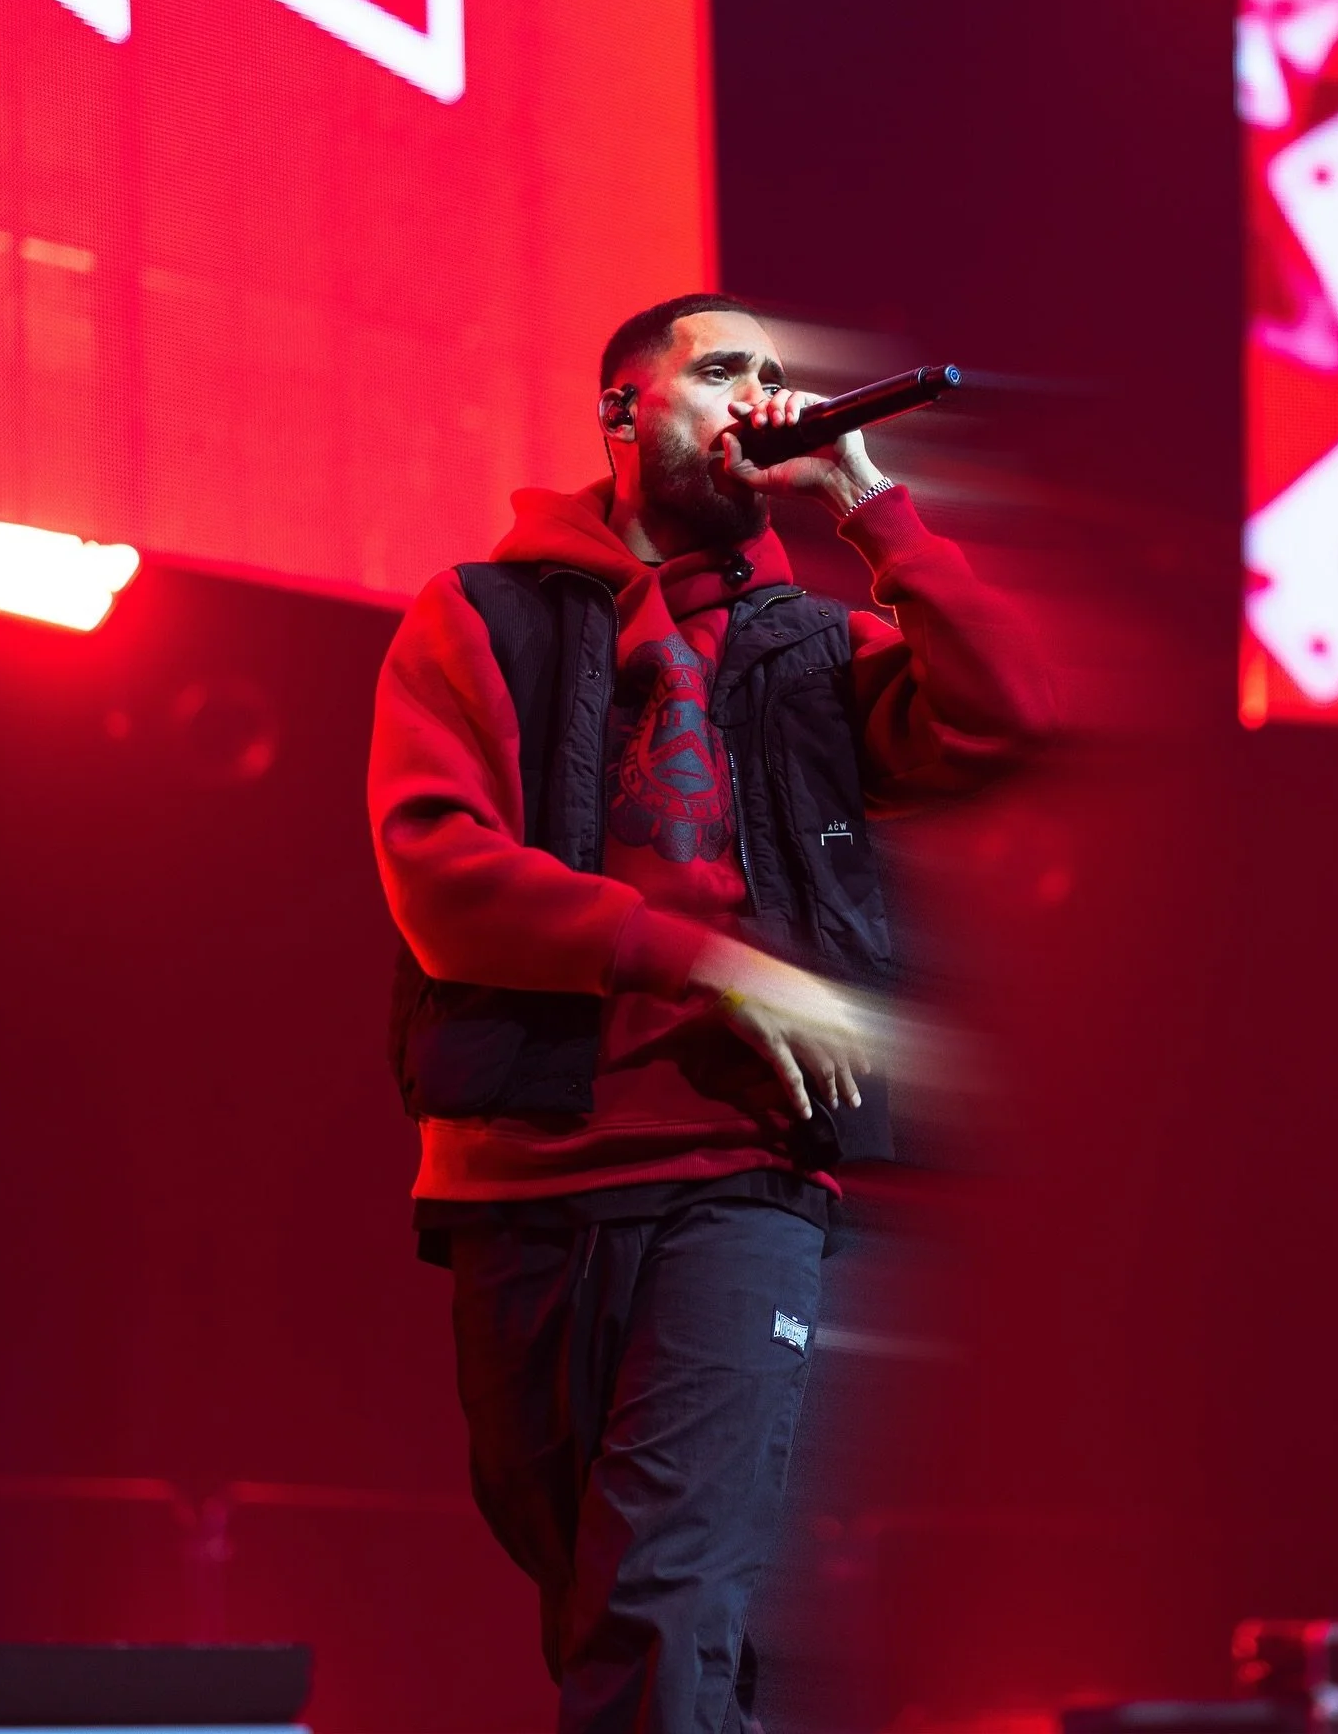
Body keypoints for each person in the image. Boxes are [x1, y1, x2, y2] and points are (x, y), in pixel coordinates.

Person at [367, 292, 1054, 1733]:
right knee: (614, 1620)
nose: (764, 393)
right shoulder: (480, 614)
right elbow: (443, 872)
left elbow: (1005, 719)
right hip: (524, 1174)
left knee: (661, 1605)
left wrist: (875, 508)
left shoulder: (813, 647)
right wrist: (707, 961)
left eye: (782, 375)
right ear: (624, 410)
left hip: (739, 1175)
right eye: (726, 369)